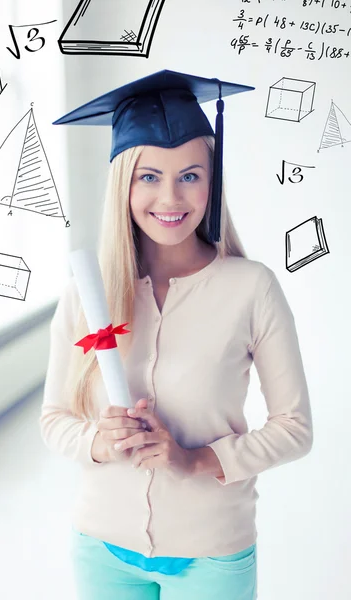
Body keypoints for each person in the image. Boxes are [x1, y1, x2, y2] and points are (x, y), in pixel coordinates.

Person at [40, 70, 313, 600]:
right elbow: (55, 421)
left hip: (212, 552)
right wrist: (100, 440)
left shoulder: (251, 288)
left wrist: (196, 460)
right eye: (149, 177)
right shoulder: (87, 292)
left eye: (190, 175)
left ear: (213, 181)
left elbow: (295, 428)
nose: (170, 196)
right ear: (123, 183)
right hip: (102, 548)